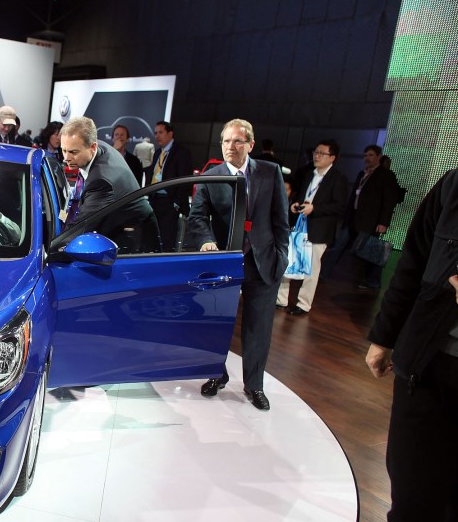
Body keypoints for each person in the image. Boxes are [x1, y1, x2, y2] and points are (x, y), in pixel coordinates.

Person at [365, 167, 458, 522]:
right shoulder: (452, 186)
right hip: (426, 367)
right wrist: (384, 337)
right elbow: (413, 265)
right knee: (411, 507)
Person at [188, 118, 289, 411]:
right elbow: (197, 217)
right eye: (226, 141)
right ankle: (216, 375)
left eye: (237, 141)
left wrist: (281, 255)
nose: (230, 147)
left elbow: (281, 220)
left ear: (250, 145)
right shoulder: (212, 174)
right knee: (217, 322)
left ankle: (254, 385)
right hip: (226, 261)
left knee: (259, 327)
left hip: (263, 260)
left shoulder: (270, 172)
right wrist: (207, 241)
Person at [60, 116, 157, 253]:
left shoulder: (101, 181)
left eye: (73, 152)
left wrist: (52, 248)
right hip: (118, 228)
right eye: (64, 150)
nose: (66, 158)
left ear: (93, 147)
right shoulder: (98, 147)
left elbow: (81, 227)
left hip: (134, 242)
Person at [277, 139, 348, 315]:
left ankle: (303, 304)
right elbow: (301, 196)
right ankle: (281, 300)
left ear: (332, 157)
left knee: (312, 268)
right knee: (289, 262)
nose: (316, 156)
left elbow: (339, 206)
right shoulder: (309, 174)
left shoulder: (338, 179)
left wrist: (315, 208)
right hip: (301, 225)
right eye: (316, 152)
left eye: (321, 153)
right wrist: (296, 205)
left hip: (320, 229)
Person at [323, 144, 400, 289]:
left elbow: (388, 201)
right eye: (365, 155)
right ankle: (324, 274)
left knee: (371, 252)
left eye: (370, 155)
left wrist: (383, 222)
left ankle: (373, 281)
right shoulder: (362, 173)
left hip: (370, 221)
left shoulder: (385, 175)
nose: (367, 158)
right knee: (338, 246)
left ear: (378, 157)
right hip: (354, 218)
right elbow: (354, 196)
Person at [144, 121, 193, 252]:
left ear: (170, 133)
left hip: (170, 202)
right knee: (152, 236)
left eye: (161, 132)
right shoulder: (158, 153)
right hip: (154, 199)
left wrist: (177, 203)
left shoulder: (182, 152)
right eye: (155, 133)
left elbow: (185, 180)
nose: (157, 136)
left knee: (167, 239)